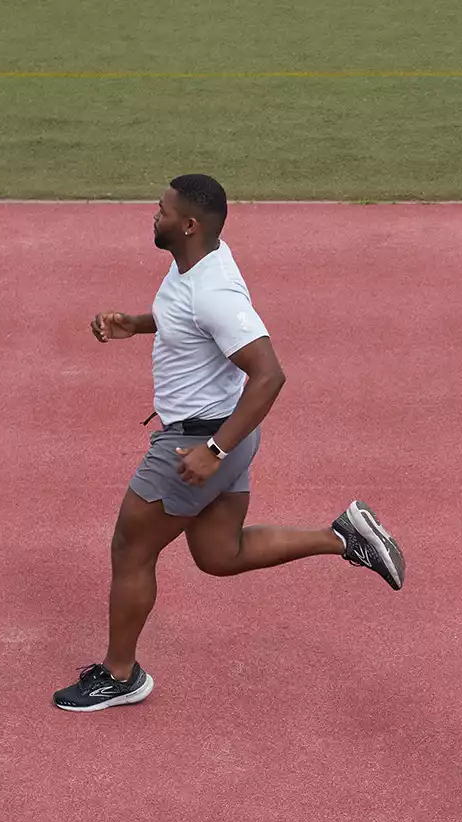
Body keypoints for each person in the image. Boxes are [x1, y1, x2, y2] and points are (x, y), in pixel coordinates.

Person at [53, 174, 405, 712]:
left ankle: (120, 675)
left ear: (189, 225)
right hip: (225, 436)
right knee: (220, 554)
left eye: (163, 210)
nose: (154, 214)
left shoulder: (213, 290)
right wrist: (139, 324)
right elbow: (191, 319)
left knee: (130, 548)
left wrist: (212, 452)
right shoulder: (199, 261)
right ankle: (343, 537)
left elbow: (269, 374)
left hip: (199, 442)